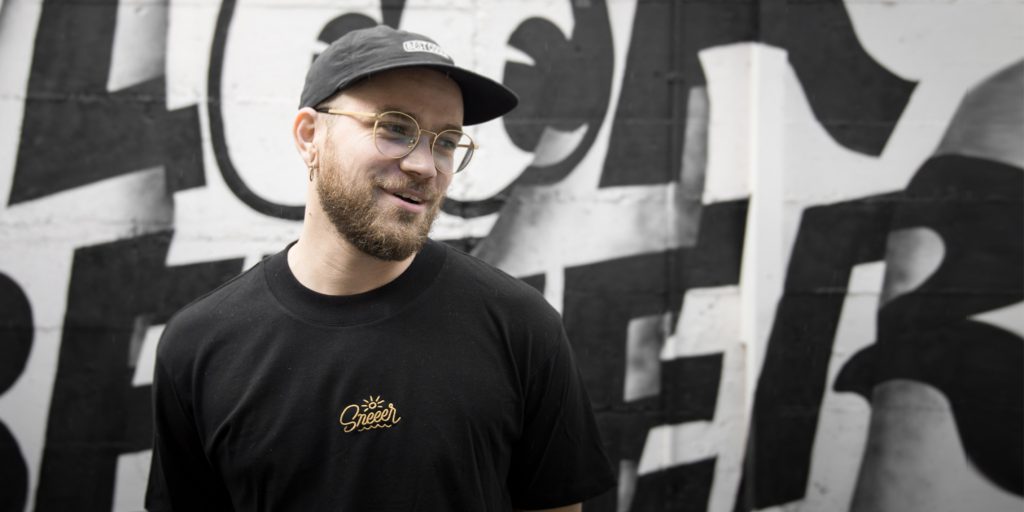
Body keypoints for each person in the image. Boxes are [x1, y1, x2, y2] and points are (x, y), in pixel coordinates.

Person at [145, 25, 615, 511]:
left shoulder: (521, 326)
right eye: (394, 127)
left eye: (447, 141)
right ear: (310, 136)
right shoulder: (200, 346)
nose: (425, 166)